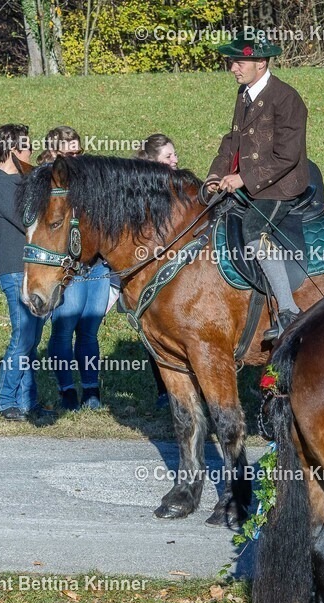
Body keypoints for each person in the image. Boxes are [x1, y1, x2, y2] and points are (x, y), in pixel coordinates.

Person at [204, 31, 310, 341]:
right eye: (232, 62)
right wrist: (215, 175)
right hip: (251, 184)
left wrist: (244, 179)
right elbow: (232, 141)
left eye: (238, 62)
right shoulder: (244, 94)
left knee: (253, 231)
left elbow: (287, 157)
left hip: (281, 187)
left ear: (261, 63)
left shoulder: (288, 99)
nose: (232, 68)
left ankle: (289, 310)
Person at [37, 127, 110, 411]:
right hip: (69, 267)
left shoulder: (90, 176)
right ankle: (66, 389)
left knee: (90, 330)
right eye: (70, 153)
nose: (77, 157)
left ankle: (91, 389)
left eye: (79, 152)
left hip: (97, 265)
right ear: (55, 153)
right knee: (65, 327)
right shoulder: (46, 182)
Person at [0, 123, 47, 421]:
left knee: (32, 337)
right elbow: (28, 219)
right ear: (12, 150)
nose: (31, 151)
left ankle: (26, 400)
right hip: (13, 268)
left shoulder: (21, 181)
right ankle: (4, 399)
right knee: (23, 334)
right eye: (27, 146)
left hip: (32, 269)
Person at [135, 133, 179, 408]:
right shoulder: (142, 192)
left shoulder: (178, 183)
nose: (175, 160)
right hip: (151, 270)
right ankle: (164, 390)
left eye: (175, 154)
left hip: (177, 266)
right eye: (168, 157)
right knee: (154, 331)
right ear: (153, 161)